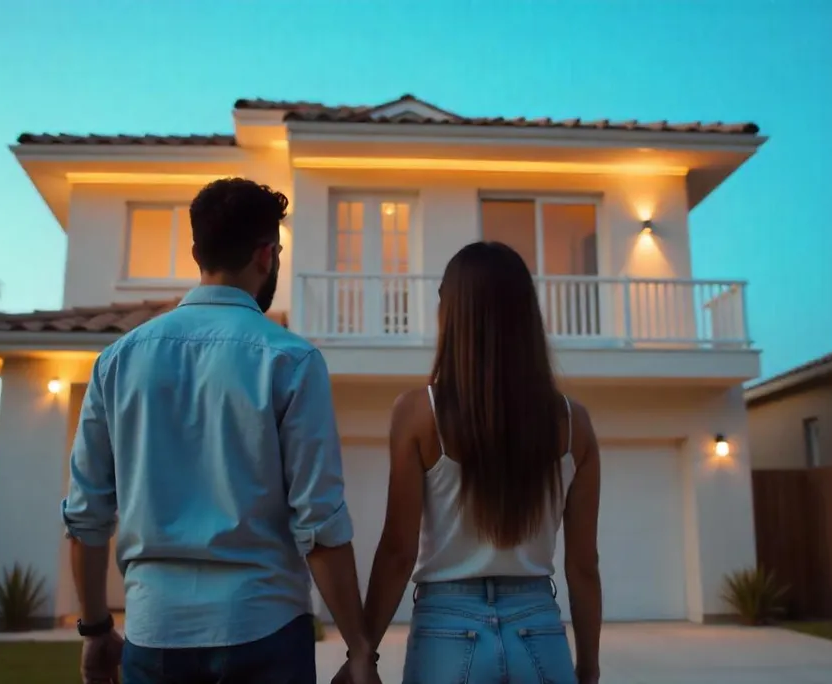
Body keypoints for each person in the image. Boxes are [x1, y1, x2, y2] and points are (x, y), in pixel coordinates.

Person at [62, 178, 381, 684]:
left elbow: (85, 517)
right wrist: (360, 648)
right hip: (266, 629)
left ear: (196, 252)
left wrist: (97, 630)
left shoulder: (117, 362)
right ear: (266, 255)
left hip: (154, 634)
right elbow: (319, 523)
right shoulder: (292, 361)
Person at [336, 241, 602, 684]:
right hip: (539, 628)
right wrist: (588, 666)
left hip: (446, 630)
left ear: (452, 313)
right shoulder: (575, 424)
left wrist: (363, 652)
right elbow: (583, 565)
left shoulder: (419, 414)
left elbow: (398, 551)